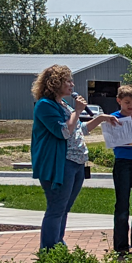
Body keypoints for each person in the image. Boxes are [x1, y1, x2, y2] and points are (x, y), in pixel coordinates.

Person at [84, 83, 132, 255]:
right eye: (127, 102)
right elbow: (111, 140)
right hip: (123, 162)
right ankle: (120, 245)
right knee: (122, 204)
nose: (131, 106)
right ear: (119, 101)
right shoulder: (112, 117)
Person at [31, 63, 88, 251]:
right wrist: (77, 111)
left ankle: (57, 243)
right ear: (55, 83)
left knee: (64, 208)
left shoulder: (62, 104)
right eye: (68, 81)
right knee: (56, 208)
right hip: (59, 164)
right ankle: (48, 250)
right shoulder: (44, 105)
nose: (72, 85)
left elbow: (78, 129)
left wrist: (102, 119)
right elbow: (63, 132)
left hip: (75, 163)